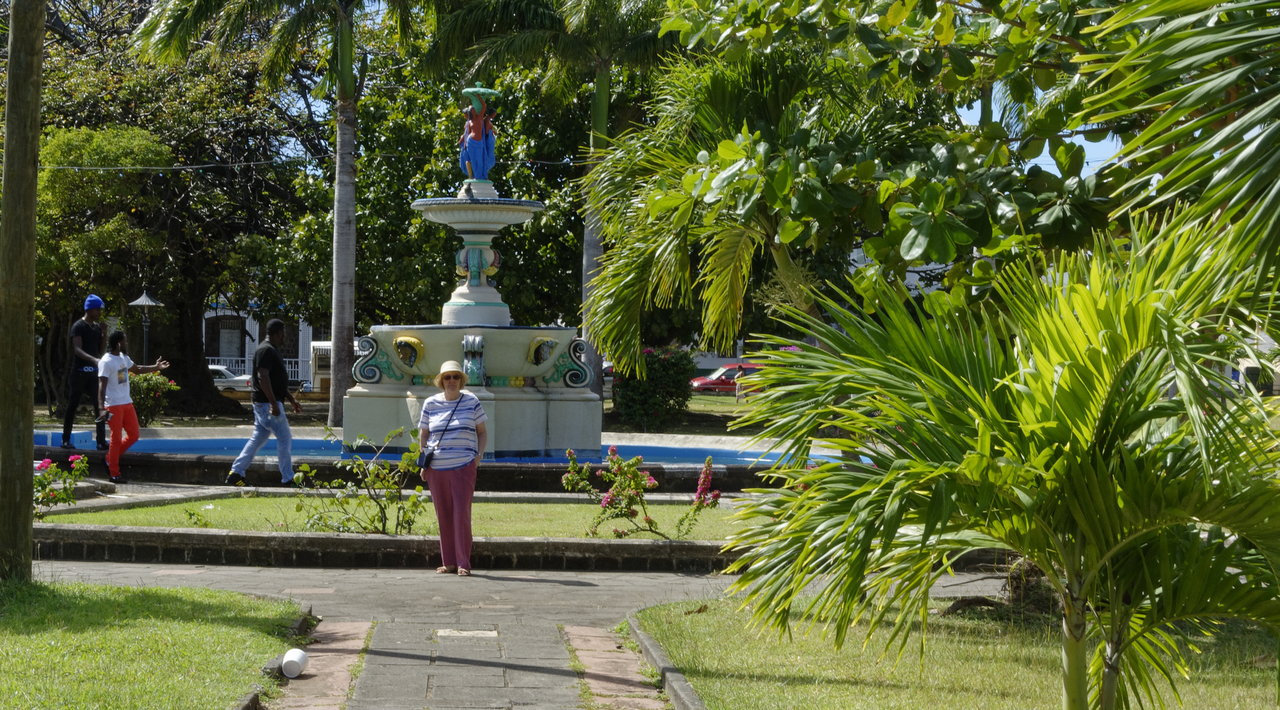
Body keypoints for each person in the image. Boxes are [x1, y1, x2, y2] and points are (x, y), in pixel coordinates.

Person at [418, 360, 488, 577]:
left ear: (461, 380)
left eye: (455, 377)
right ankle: (448, 562)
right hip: (436, 469)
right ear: (441, 381)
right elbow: (424, 435)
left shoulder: (472, 402)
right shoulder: (430, 403)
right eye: (447, 377)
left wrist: (478, 457)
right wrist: (424, 463)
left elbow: (482, 432)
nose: (451, 381)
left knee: (461, 515)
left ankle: (463, 563)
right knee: (444, 515)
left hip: (463, 467)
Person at [226, 319, 302, 487]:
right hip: (267, 404)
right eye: (283, 333)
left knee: (258, 438)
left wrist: (291, 399)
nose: (284, 337)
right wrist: (274, 404)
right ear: (278, 333)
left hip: (265, 404)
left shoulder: (271, 350)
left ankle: (236, 473)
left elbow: (277, 381)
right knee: (284, 438)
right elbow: (263, 376)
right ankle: (288, 479)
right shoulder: (266, 350)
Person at [96, 330, 170, 483]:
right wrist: (101, 408)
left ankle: (109, 459)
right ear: (118, 343)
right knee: (116, 438)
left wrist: (156, 367)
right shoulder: (106, 361)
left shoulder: (123, 357)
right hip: (113, 405)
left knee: (134, 435)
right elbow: (101, 386)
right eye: (124, 341)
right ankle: (114, 473)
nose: (126, 343)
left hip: (127, 403)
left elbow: (137, 369)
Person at [63, 294, 109, 450]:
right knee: (73, 404)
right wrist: (93, 360)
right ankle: (65, 439)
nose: (100, 313)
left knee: (99, 405)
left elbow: (100, 350)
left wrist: (103, 334)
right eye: (98, 310)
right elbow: (77, 349)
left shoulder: (96, 327)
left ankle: (101, 441)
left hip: (93, 374)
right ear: (89, 309)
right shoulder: (78, 326)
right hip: (79, 372)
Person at [457, 98, 496, 180]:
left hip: (480, 142)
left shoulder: (480, 117)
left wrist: (479, 97)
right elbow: (467, 133)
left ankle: (483, 175)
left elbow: (484, 106)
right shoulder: (470, 122)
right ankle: (476, 176)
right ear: (471, 112)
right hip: (470, 142)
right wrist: (464, 145)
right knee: (474, 160)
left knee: (481, 158)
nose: (474, 111)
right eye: (472, 110)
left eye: (474, 109)